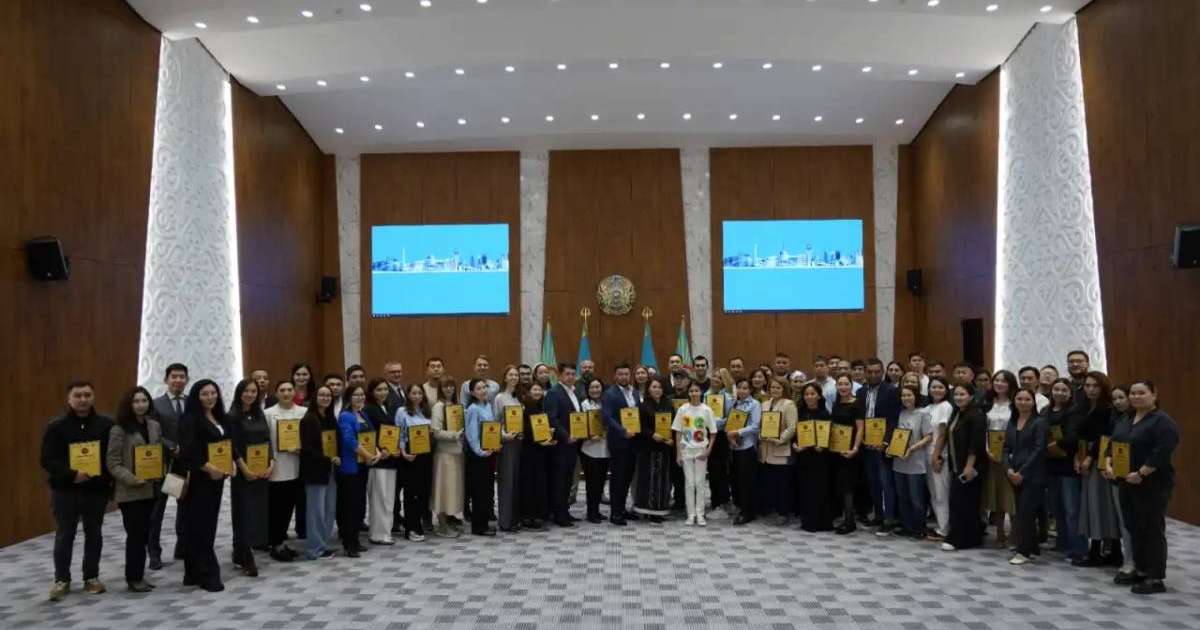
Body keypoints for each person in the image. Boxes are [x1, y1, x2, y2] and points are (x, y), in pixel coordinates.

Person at [43, 381, 115, 601]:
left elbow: (112, 457)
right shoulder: (56, 426)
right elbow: (47, 459)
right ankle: (61, 580)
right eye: (78, 395)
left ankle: (91, 577)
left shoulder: (106, 425)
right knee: (65, 534)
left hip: (96, 490)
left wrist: (106, 480)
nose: (83, 399)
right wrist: (72, 474)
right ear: (69, 399)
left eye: (87, 395)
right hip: (66, 490)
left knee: (94, 533)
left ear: (93, 397)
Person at [1105, 380, 1179, 594]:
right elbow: (1113, 444)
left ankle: (1155, 577)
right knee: (1133, 526)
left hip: (1151, 484)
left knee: (1151, 528)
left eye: (1142, 393)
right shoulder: (1127, 418)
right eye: (1133, 393)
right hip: (1125, 482)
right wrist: (1108, 464)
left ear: (1154, 394)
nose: (1136, 397)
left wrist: (1142, 473)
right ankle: (1141, 569)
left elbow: (1162, 451)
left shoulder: (1162, 421)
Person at [106, 386, 163, 592]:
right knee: (135, 535)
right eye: (136, 401)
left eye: (144, 400)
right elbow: (112, 462)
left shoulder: (154, 425)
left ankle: (139, 575)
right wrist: (132, 478)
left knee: (145, 534)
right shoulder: (119, 429)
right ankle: (133, 578)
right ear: (129, 405)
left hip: (150, 488)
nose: (141, 405)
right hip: (130, 491)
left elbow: (157, 453)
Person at [178, 379, 230, 591]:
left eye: (213, 393)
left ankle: (192, 572)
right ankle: (208, 574)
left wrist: (229, 465)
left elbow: (224, 445)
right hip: (199, 479)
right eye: (205, 394)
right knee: (201, 527)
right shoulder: (190, 418)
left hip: (216, 479)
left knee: (204, 525)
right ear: (196, 397)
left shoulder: (218, 416)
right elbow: (189, 451)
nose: (210, 397)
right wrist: (209, 469)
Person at [1075, 371, 1122, 567]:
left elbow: (1105, 437)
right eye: (1087, 386)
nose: (1091, 389)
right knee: (1092, 505)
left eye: (1095, 386)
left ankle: (1106, 550)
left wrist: (1089, 458)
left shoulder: (1107, 409)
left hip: (1102, 462)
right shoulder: (1085, 407)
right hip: (1086, 458)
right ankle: (1102, 550)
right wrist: (1079, 457)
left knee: (1102, 505)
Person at [228, 379, 271, 575]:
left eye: (254, 391)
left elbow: (267, 440)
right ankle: (244, 555)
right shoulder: (232, 416)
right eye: (246, 391)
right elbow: (232, 445)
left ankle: (244, 550)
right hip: (243, 472)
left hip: (261, 470)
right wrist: (244, 469)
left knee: (258, 512)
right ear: (239, 393)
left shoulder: (259, 413)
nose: (250, 394)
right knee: (243, 514)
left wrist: (271, 462)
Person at [150, 362, 188, 568]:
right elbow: (152, 434)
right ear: (166, 379)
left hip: (185, 465)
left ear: (187, 380)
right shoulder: (155, 405)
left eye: (182, 377)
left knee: (185, 507)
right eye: (174, 376)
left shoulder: (192, 403)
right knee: (157, 511)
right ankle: (154, 553)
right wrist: (172, 447)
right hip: (163, 464)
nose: (178, 380)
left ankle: (182, 547)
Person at [1044, 377, 1087, 560]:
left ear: (1070, 393)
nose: (1059, 393)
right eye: (1056, 389)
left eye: (1064, 390)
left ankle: (1078, 548)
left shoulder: (1074, 411)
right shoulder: (1045, 411)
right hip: (1050, 465)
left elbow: (1072, 437)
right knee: (1056, 507)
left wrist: (1053, 445)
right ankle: (1062, 543)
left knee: (1072, 509)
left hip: (1068, 465)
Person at [1004, 388, 1047, 565]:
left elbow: (1039, 449)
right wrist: (1008, 469)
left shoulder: (1039, 422)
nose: (1023, 402)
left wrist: (1022, 472)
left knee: (1026, 513)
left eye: (1027, 399)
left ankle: (1023, 551)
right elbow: (1006, 448)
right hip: (1013, 473)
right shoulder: (1012, 421)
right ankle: (1032, 546)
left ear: (1033, 402)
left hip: (1032, 474)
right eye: (1019, 399)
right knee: (1021, 511)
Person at [942, 384, 986, 552]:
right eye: (956, 394)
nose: (958, 397)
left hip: (969, 467)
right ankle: (970, 537)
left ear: (971, 396)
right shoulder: (957, 413)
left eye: (962, 394)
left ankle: (961, 539)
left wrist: (969, 466)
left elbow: (976, 444)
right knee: (958, 501)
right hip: (956, 465)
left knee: (965, 503)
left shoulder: (976, 415)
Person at [264, 380, 305, 560]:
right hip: (277, 466)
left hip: (296, 465)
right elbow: (265, 441)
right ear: (276, 393)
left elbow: (309, 437)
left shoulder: (303, 412)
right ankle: (275, 544)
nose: (286, 393)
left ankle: (281, 541)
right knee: (276, 508)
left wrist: (302, 448)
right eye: (282, 390)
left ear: (294, 392)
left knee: (289, 506)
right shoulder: (268, 414)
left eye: (289, 390)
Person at [337, 385, 380, 557]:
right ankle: (349, 544)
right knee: (350, 506)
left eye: (362, 394)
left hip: (363, 465)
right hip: (350, 466)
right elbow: (349, 440)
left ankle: (355, 540)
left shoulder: (362, 414)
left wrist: (376, 452)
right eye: (356, 395)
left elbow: (370, 436)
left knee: (359, 504)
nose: (360, 397)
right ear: (349, 397)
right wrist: (368, 455)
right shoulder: (345, 416)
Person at [858, 359, 900, 533]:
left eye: (877, 372)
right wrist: (860, 438)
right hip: (866, 445)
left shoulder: (891, 391)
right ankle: (878, 515)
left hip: (883, 445)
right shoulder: (861, 392)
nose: (873, 375)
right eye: (870, 372)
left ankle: (889, 518)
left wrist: (885, 441)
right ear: (865, 373)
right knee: (873, 482)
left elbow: (893, 419)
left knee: (886, 483)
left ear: (882, 372)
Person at [299, 385, 339, 561]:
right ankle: (314, 549)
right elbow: (307, 448)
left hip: (330, 470)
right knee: (316, 512)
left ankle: (324, 544)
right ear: (315, 398)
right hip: (315, 471)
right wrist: (327, 458)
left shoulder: (330, 418)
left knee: (329, 509)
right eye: (321, 395)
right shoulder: (309, 419)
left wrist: (336, 456)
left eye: (328, 395)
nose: (325, 398)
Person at [601, 363, 641, 526]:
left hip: (634, 442)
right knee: (618, 478)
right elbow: (607, 418)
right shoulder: (609, 394)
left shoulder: (635, 392)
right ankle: (615, 513)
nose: (624, 377)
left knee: (627, 478)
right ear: (615, 376)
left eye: (626, 374)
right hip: (619, 442)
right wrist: (623, 431)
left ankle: (622, 509)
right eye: (620, 374)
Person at [890, 385, 932, 539]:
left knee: (916, 498)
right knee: (902, 497)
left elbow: (928, 437)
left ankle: (919, 528)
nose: (906, 398)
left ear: (916, 396)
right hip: (899, 461)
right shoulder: (900, 413)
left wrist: (912, 449)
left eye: (909, 395)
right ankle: (906, 526)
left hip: (916, 461)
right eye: (903, 396)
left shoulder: (923, 413)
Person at [673, 381, 718, 525]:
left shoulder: (707, 410)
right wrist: (678, 453)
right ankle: (690, 514)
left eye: (696, 391)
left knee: (700, 482)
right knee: (689, 483)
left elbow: (713, 432)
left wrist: (708, 450)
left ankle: (700, 514)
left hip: (701, 450)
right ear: (688, 392)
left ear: (701, 392)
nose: (694, 393)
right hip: (686, 450)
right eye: (691, 391)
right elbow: (678, 432)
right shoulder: (683, 409)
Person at [982, 370, 1018, 548]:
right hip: (990, 454)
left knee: (1010, 496)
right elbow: (983, 430)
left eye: (1004, 381)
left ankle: (1015, 535)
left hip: (1010, 455)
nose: (999, 383)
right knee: (996, 495)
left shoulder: (1015, 404)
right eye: (997, 380)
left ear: (1010, 384)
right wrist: (987, 451)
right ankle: (1000, 534)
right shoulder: (987, 403)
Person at [792, 382, 834, 532]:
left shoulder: (825, 414)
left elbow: (830, 435)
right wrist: (795, 445)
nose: (809, 397)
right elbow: (795, 434)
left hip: (820, 458)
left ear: (819, 396)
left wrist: (823, 446)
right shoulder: (800, 412)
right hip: (804, 457)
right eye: (806, 394)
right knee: (806, 489)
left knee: (821, 489)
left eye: (812, 394)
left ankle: (823, 522)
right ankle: (809, 522)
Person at [545, 363, 583, 526]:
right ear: (560, 375)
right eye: (567, 374)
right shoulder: (554, 393)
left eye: (573, 374)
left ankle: (564, 511)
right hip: (561, 444)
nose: (570, 377)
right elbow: (552, 418)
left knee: (568, 479)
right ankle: (558, 515)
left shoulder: (574, 392)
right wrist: (566, 436)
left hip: (574, 444)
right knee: (560, 480)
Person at [364, 378, 401, 544]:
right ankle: (378, 534)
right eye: (379, 390)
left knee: (388, 498)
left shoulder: (390, 407)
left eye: (385, 389)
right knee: (379, 498)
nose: (383, 392)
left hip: (391, 459)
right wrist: (380, 450)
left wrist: (396, 449)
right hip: (378, 460)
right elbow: (368, 434)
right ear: (372, 392)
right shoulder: (368, 409)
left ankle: (386, 531)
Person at [1105, 384, 1136, 580]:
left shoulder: (1140, 419)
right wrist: (1107, 464)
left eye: (1121, 397)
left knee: (1135, 522)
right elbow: (1111, 445)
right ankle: (1129, 560)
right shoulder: (1118, 419)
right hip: (1118, 476)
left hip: (1137, 476)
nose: (1118, 402)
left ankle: (1139, 562)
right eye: (1114, 399)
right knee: (1124, 521)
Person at [397, 383, 434, 542]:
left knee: (423, 492)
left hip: (426, 454)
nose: (417, 396)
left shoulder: (426, 411)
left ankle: (419, 524)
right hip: (410, 455)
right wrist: (403, 453)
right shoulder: (402, 411)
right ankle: (410, 528)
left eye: (420, 393)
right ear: (408, 395)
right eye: (414, 393)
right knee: (411, 493)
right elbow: (399, 433)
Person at [633, 378, 673, 522]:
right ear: (649, 389)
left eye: (660, 387)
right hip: (648, 448)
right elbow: (640, 426)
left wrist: (672, 438)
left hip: (664, 448)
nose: (657, 389)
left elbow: (674, 424)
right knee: (647, 480)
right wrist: (652, 434)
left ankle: (659, 510)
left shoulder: (668, 404)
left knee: (662, 481)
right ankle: (646, 510)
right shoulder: (643, 405)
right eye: (654, 387)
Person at [464, 378, 500, 536]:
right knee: (479, 492)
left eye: (484, 387)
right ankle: (478, 527)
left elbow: (491, 429)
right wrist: (480, 451)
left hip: (489, 453)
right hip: (478, 455)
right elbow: (471, 434)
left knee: (486, 490)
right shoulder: (473, 409)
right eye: (478, 389)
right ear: (472, 392)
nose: (482, 391)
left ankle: (485, 523)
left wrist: (495, 444)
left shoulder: (487, 406)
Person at [760, 377, 798, 525]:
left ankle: (783, 512)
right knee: (770, 482)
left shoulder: (789, 404)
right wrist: (760, 435)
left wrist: (780, 439)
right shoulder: (765, 404)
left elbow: (792, 427)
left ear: (784, 389)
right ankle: (773, 509)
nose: (774, 390)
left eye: (778, 387)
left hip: (781, 449)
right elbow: (760, 424)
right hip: (766, 449)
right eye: (772, 387)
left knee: (783, 483)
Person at [830, 375, 864, 535]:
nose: (843, 387)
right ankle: (844, 518)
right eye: (840, 384)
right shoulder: (836, 403)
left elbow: (860, 428)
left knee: (848, 486)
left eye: (846, 384)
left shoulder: (857, 403)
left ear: (851, 386)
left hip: (850, 451)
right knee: (840, 485)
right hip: (836, 449)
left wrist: (855, 448)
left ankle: (850, 522)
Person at [491, 368, 523, 532]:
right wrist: (504, 436)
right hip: (506, 444)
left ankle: (514, 519)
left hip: (518, 443)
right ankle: (505, 522)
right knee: (506, 482)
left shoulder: (518, 398)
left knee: (516, 482)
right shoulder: (499, 397)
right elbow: (495, 422)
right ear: (505, 378)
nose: (514, 377)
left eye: (516, 375)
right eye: (510, 374)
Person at [728, 377, 763, 526]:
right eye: (739, 387)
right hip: (734, 446)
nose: (742, 391)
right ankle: (740, 507)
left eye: (745, 388)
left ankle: (748, 512)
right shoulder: (734, 403)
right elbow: (729, 422)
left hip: (747, 447)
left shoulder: (754, 404)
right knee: (735, 480)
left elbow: (755, 426)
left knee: (746, 481)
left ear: (750, 390)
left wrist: (737, 432)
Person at [517, 381, 552, 529]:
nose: (537, 392)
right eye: (534, 390)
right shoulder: (526, 407)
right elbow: (524, 430)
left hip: (541, 451)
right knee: (529, 483)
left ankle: (538, 514)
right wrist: (538, 440)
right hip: (529, 450)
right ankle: (528, 516)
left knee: (540, 482)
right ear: (529, 392)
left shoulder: (542, 406)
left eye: (539, 390)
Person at [924, 377, 954, 541]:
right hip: (926, 454)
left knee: (941, 492)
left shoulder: (946, 406)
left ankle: (945, 529)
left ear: (946, 390)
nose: (936, 390)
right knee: (934, 492)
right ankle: (941, 525)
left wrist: (936, 456)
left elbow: (943, 434)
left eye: (940, 387)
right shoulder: (928, 408)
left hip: (940, 454)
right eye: (933, 387)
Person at [579, 378, 609, 523]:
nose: (595, 390)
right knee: (592, 483)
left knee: (601, 482)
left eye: (598, 387)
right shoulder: (583, 405)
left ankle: (596, 510)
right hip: (589, 449)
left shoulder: (606, 404)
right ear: (587, 390)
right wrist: (589, 435)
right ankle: (591, 513)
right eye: (592, 387)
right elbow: (579, 425)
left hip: (605, 449)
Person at [707, 369, 735, 519]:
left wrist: (714, 423)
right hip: (708, 436)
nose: (716, 379)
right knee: (712, 471)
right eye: (714, 376)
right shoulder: (706, 394)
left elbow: (730, 418)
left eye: (719, 377)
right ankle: (715, 503)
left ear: (724, 380)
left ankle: (723, 502)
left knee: (721, 471)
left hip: (722, 437)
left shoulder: (728, 396)